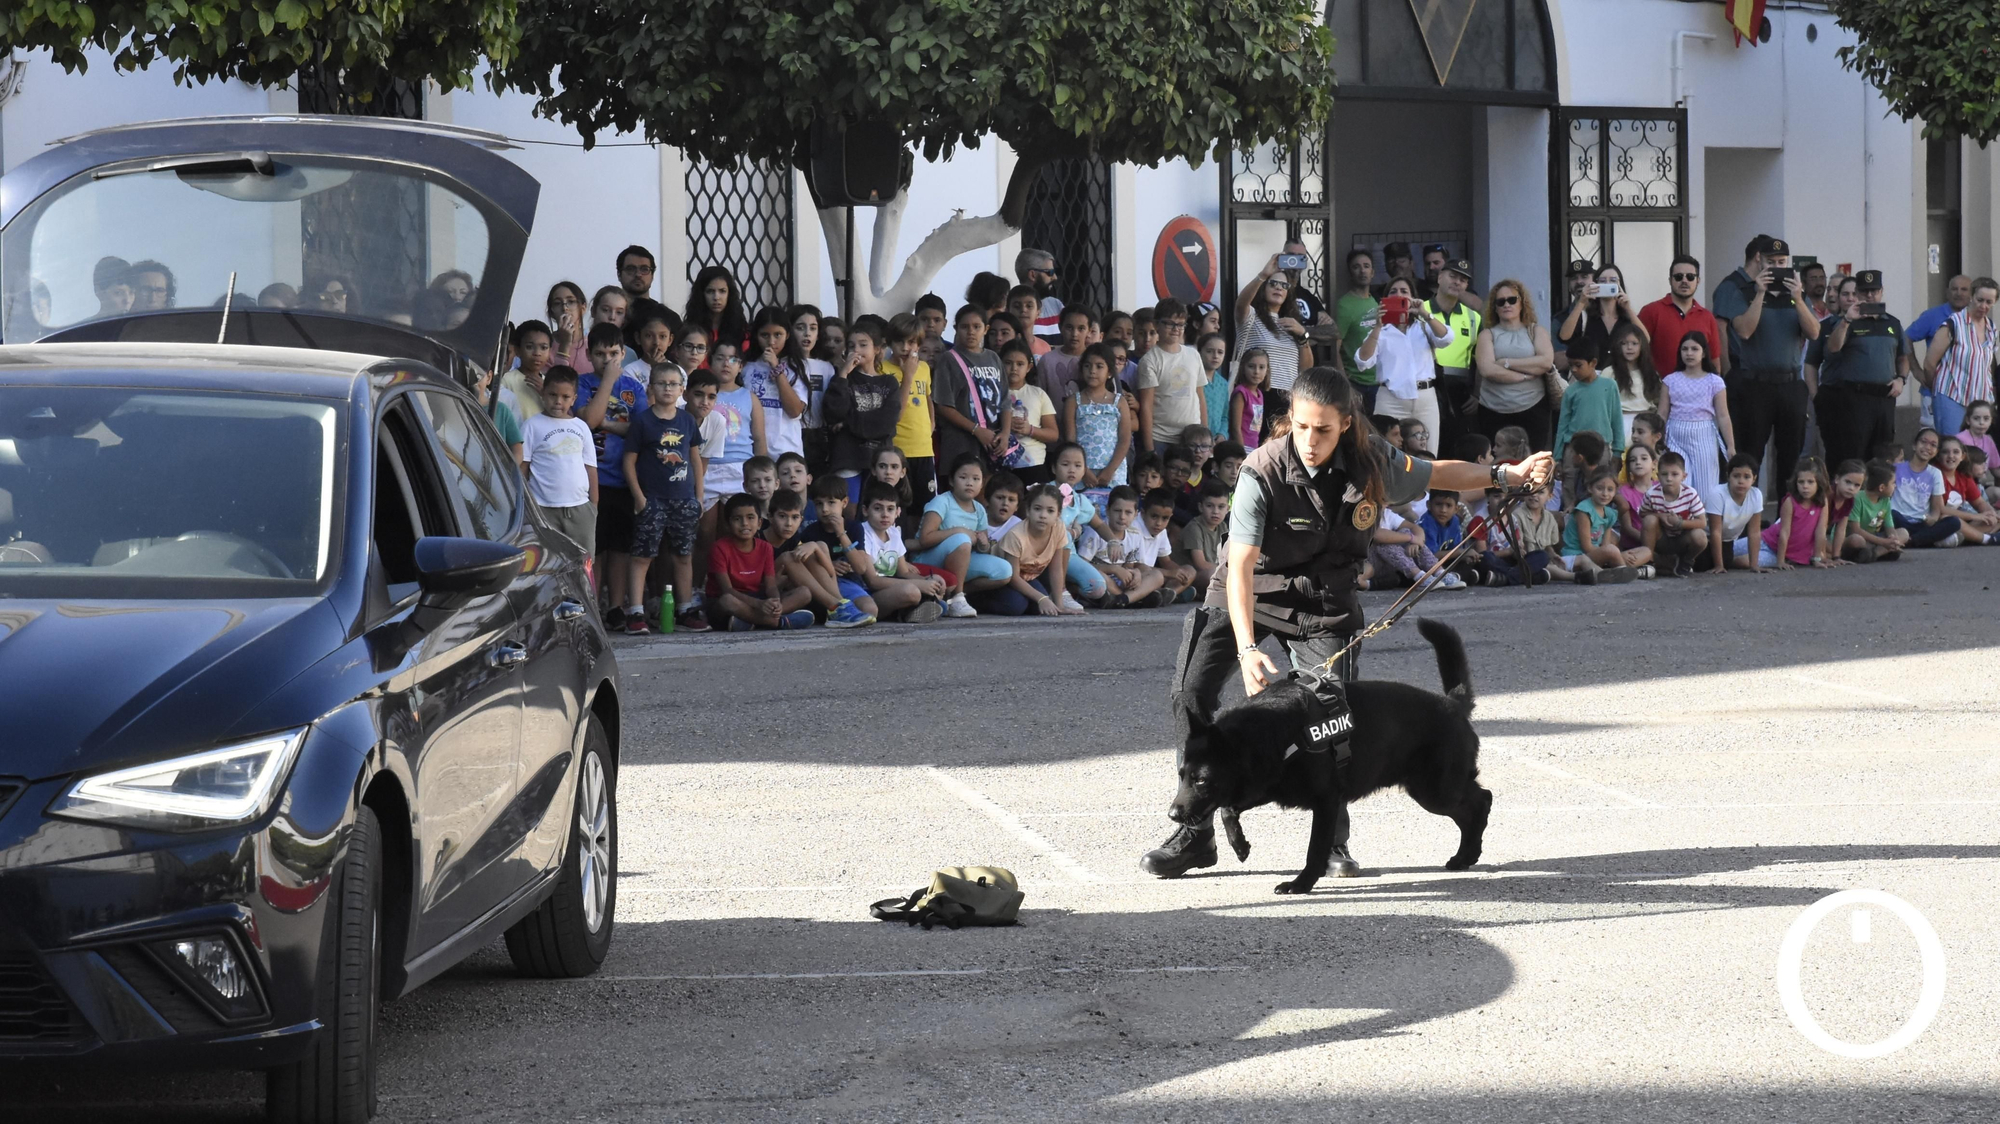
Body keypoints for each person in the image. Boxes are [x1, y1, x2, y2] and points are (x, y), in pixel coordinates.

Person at [1139, 367, 1554, 878]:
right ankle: (1194, 832)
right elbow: (1242, 564)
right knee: (1190, 695)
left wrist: (1509, 476)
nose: (1310, 441)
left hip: (1321, 601)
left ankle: (1333, 840)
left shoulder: (1373, 460)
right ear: (1290, 419)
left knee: (1330, 715)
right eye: (1302, 427)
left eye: (1324, 430)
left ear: (1347, 425)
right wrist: (1248, 650)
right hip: (1249, 591)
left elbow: (1439, 473)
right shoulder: (1260, 471)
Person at [1712, 235, 1820, 490]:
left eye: (1782, 261)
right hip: (1756, 386)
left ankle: (1786, 516)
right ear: (1760, 261)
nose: (1777, 266)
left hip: (1790, 384)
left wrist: (1798, 298)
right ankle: (1749, 517)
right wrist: (1760, 293)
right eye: (1772, 261)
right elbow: (1744, 331)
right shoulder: (1745, 292)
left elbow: (1814, 332)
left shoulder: (1797, 295)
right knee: (1751, 454)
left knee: (1790, 455)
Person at [620, 363, 705, 632]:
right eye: (661, 383)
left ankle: (685, 608)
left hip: (683, 499)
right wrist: (638, 497)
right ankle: (635, 612)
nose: (667, 388)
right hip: (652, 499)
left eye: (673, 384)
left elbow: (695, 460)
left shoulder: (687, 420)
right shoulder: (643, 421)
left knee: (683, 555)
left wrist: (698, 497)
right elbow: (629, 462)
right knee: (642, 556)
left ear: (682, 389)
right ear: (651, 388)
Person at [576, 323, 650, 628]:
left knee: (620, 548)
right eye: (600, 353)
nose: (607, 359)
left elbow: (640, 429)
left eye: (613, 353)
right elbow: (587, 420)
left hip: (622, 480)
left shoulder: (633, 388)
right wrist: (607, 382)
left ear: (624, 354)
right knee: (595, 548)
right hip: (590, 481)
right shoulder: (582, 384)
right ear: (590, 355)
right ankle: (593, 602)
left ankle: (616, 606)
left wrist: (604, 424)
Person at [1811, 270, 1910, 471]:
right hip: (1855, 398)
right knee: (1853, 454)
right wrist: (1847, 320)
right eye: (1864, 291)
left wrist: (1901, 379)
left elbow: (1903, 357)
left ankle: (1878, 498)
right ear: (1858, 293)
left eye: (1874, 291)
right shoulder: (1846, 321)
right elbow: (1833, 348)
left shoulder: (1892, 323)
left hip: (1884, 397)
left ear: (1882, 291)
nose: (1870, 296)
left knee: (1884, 454)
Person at [912, 453, 1018, 618]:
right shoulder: (942, 502)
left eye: (976, 479)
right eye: (963, 477)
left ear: (982, 483)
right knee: (961, 539)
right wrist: (958, 531)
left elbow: (982, 548)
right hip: (928, 559)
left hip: (960, 562)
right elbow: (925, 538)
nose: (970, 483)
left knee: (1004, 570)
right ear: (952, 481)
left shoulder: (980, 509)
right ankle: (956, 599)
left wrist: (983, 544)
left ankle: (952, 592)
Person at [1353, 277, 1449, 444]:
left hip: (1425, 398)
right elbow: (1362, 361)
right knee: (1388, 453)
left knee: (1428, 451)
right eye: (1393, 292)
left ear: (1413, 297)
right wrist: (1377, 326)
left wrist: (1425, 314)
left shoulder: (1423, 326)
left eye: (1404, 292)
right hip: (1391, 399)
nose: (1398, 295)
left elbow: (1446, 338)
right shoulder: (1381, 331)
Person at [519, 367, 600, 561]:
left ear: (573, 399)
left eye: (565, 397)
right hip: (543, 509)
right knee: (545, 562)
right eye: (553, 395)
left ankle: (582, 593)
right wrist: (526, 506)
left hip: (580, 508)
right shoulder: (532, 425)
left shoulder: (581, 427)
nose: (558, 401)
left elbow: (590, 467)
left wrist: (594, 505)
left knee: (583, 561)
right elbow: (523, 468)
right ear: (543, 393)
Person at [705, 494, 815, 631]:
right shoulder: (720, 548)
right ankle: (778, 622)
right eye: (737, 519)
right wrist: (759, 604)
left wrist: (775, 602)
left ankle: (750, 621)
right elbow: (727, 590)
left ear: (759, 523)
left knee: (804, 592)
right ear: (727, 524)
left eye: (750, 518)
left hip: (757, 598)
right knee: (727, 601)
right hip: (730, 600)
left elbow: (770, 586)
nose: (744, 523)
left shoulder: (765, 547)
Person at [845, 480, 948, 623]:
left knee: (936, 598)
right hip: (868, 594)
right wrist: (920, 585)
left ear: (897, 512)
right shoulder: (862, 532)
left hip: (890, 590)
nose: (885, 514)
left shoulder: (894, 533)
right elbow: (872, 581)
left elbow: (903, 572)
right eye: (878, 508)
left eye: (890, 509)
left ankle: (911, 610)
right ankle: (904, 612)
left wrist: (928, 581)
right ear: (865, 510)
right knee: (911, 592)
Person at [821, 321, 903, 497]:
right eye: (851, 346)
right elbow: (834, 412)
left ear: (877, 349)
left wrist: (847, 423)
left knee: (877, 505)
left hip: (880, 458)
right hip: (847, 456)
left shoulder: (889, 382)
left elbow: (887, 422)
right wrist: (843, 374)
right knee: (849, 509)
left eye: (863, 345)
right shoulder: (842, 379)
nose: (856, 350)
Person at [1474, 279, 1556, 451]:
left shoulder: (1536, 331)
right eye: (1500, 301)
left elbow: (1546, 361)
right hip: (1493, 409)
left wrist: (1506, 363)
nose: (1506, 305)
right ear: (1494, 307)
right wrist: (1525, 375)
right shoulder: (1487, 335)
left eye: (1512, 300)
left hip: (1533, 407)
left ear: (1521, 303)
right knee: (1496, 464)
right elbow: (1487, 369)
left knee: (1533, 464)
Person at [973, 483, 1072, 616]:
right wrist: (1041, 598)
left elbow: (1056, 568)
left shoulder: (1058, 528)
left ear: (1058, 515)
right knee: (1016, 606)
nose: (1043, 515)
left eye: (1050, 511)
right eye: (1037, 509)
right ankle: (973, 600)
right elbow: (1013, 577)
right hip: (1001, 579)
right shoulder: (1016, 536)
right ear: (1028, 511)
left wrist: (1059, 605)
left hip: (1026, 577)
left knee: (1042, 609)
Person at [1661, 331, 1736, 501]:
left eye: (1694, 349)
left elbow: (1723, 416)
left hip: (1704, 434)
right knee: (1677, 483)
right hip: (1675, 434)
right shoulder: (1670, 380)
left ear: (1704, 353)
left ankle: (1705, 526)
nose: (1689, 353)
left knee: (1706, 486)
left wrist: (1730, 445)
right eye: (1685, 349)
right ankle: (1680, 524)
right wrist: (1658, 440)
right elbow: (1662, 414)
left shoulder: (1714, 381)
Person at [1921, 276, 1999, 438]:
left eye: (1989, 302)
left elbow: (1989, 362)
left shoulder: (1991, 327)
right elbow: (1929, 363)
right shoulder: (1953, 324)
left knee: (1977, 452)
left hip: (1980, 398)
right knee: (1953, 447)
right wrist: (1936, 389)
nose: (1983, 306)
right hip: (1952, 395)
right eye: (1980, 300)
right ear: (1971, 297)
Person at [933, 305, 1008, 473]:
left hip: (992, 444)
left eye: (976, 327)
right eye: (964, 327)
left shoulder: (993, 358)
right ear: (956, 329)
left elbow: (1004, 401)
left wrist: (1005, 433)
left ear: (986, 329)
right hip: (960, 444)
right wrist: (977, 430)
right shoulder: (948, 359)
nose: (971, 332)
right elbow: (943, 406)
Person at [1422, 258, 1484, 455]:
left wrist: (1477, 394)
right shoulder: (1420, 310)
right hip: (1427, 388)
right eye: (1453, 276)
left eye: (1463, 280)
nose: (1457, 282)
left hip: (1460, 394)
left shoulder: (1474, 317)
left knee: (1457, 450)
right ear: (1440, 277)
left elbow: (1479, 360)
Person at [1079, 485, 1171, 608]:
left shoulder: (1135, 534)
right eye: (1117, 511)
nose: (1122, 517)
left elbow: (1130, 565)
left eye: (1128, 512)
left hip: (1120, 581)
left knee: (1156, 575)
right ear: (1107, 510)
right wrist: (1113, 569)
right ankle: (1137, 598)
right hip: (1101, 579)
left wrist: (1135, 573)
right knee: (1099, 578)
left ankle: (1122, 600)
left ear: (1136, 515)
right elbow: (1081, 567)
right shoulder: (1095, 533)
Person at [1135, 298, 1207, 450]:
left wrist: (1205, 437)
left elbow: (1200, 396)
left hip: (1191, 437)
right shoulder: (1149, 360)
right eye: (1169, 323)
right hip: (1160, 437)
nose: (1176, 329)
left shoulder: (1193, 355)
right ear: (1156, 325)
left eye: (1180, 324)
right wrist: (1149, 449)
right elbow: (1146, 406)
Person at [880, 314, 939, 500]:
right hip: (899, 448)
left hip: (923, 448)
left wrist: (931, 423)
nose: (905, 348)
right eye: (899, 341)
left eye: (911, 342)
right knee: (899, 503)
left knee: (925, 505)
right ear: (890, 342)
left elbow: (927, 397)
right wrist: (907, 376)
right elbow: (896, 412)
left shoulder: (923, 368)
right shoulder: (883, 370)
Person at [1638, 255, 1724, 377]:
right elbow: (1636, 352)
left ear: (1698, 280)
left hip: (1697, 392)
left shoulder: (1707, 317)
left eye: (1690, 277)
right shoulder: (1651, 311)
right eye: (1678, 277)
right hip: (1658, 390)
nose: (1684, 281)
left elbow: (1714, 361)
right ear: (1670, 280)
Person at [1064, 343, 1132, 495]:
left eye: (1099, 366)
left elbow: (1124, 439)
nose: (1092, 371)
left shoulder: (1119, 402)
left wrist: (1109, 470)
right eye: (1087, 366)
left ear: (1109, 372)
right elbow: (1071, 441)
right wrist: (1083, 470)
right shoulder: (1074, 401)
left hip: (1113, 471)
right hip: (1080, 471)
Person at [1234, 254, 1309, 391]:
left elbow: (1305, 369)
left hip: (1288, 395)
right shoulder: (1252, 317)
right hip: (1257, 393)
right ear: (1263, 288)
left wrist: (1303, 335)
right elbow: (1240, 305)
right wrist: (1263, 275)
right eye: (1273, 283)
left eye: (1284, 285)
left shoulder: (1292, 324)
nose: (1279, 288)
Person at [1562, 469, 1649, 583]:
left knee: (1646, 551)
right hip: (1578, 556)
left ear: (1615, 492)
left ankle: (1616, 570)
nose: (1605, 494)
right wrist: (1617, 554)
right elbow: (1587, 547)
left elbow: (1605, 544)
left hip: (1600, 555)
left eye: (1610, 490)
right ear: (1590, 488)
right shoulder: (1584, 511)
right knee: (1612, 550)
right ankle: (1626, 571)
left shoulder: (1610, 513)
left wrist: (1615, 555)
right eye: (1599, 488)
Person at [1553, 337, 1624, 473]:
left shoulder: (1609, 386)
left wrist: (1617, 451)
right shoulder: (1570, 391)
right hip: (1573, 449)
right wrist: (1557, 457)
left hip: (1601, 448)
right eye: (1570, 364)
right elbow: (1562, 425)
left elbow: (1616, 419)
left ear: (1593, 363)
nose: (1573, 369)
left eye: (1578, 365)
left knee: (1599, 486)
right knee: (1570, 487)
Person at [1749, 458, 1834, 570]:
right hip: (1766, 542)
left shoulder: (1822, 501)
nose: (1805, 486)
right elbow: (1784, 532)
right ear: (1795, 482)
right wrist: (1780, 561)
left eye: (1810, 482)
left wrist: (1817, 558)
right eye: (1801, 482)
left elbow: (1821, 530)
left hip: (1779, 554)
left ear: (1819, 483)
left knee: (1746, 561)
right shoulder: (1790, 502)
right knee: (1730, 549)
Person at [996, 338, 1059, 487]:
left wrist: (1029, 430)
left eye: (1020, 364)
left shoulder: (1038, 394)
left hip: (1033, 463)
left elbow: (1053, 434)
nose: (1014, 368)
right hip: (1000, 462)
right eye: (1008, 363)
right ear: (999, 364)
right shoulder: (993, 393)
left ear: (1029, 367)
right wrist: (1005, 426)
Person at [1890, 430, 1965, 548]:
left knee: (1954, 522)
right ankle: (1920, 539)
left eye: (1933, 445)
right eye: (1923, 442)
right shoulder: (1897, 468)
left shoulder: (1935, 473)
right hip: (1898, 519)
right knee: (1891, 514)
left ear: (1936, 452)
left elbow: (1937, 508)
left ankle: (1910, 541)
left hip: (1921, 522)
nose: (1927, 447)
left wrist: (1933, 518)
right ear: (1914, 445)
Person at [1558, 260, 1646, 359]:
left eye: (1613, 280)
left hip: (1621, 373)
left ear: (1620, 284)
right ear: (1596, 284)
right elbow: (1564, 336)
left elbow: (1645, 340)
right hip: (1594, 373)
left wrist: (1628, 309)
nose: (1607, 284)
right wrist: (1581, 303)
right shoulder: (1586, 316)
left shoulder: (1626, 317)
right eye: (1603, 281)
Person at [1640, 450, 1707, 576]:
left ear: (1684, 476)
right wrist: (1660, 516)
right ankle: (1648, 561)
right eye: (1664, 474)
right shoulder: (1652, 494)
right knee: (1649, 520)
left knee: (1701, 537)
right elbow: (1643, 514)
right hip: (1661, 539)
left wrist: (1680, 523)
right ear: (1658, 475)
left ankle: (1685, 561)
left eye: (1674, 474)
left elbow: (1702, 522)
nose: (1669, 479)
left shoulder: (1690, 494)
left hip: (1683, 538)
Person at [1335, 250, 1382, 412]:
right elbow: (1335, 346)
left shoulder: (1376, 302)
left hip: (1379, 382)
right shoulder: (1344, 305)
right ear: (1350, 273)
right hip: (1356, 382)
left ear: (1373, 272)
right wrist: (1345, 382)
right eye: (1356, 267)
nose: (1362, 271)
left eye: (1366, 266)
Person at [1704, 453, 1766, 573]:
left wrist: (1754, 565)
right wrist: (1718, 565)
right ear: (1728, 476)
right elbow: (1715, 531)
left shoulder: (1756, 495)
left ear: (1754, 478)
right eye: (1736, 476)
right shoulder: (1717, 494)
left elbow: (1754, 532)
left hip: (1727, 541)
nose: (1741, 481)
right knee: (1703, 565)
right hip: (1706, 539)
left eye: (1746, 477)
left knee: (1727, 563)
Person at [1605, 322, 1663, 441]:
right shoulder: (1609, 372)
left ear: (1642, 346)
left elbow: (1657, 402)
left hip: (1646, 425)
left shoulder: (1651, 374)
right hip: (1619, 423)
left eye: (1634, 343)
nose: (1629, 347)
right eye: (1624, 343)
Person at [1936, 436, 2000, 543]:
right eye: (1945, 452)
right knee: (1948, 519)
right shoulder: (1935, 473)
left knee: (1997, 516)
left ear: (1963, 456)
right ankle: (1987, 539)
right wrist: (1977, 516)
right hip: (1940, 521)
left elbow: (1979, 502)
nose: (1951, 456)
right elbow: (1939, 510)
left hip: (1962, 523)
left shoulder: (1963, 475)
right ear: (1938, 456)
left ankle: (1967, 536)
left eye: (1956, 452)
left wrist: (1990, 513)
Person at [1840, 461, 1907, 562]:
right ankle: (1881, 552)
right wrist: (1884, 542)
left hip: (1874, 540)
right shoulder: (1857, 498)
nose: (1895, 486)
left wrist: (1893, 539)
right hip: (1858, 538)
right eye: (1893, 483)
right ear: (1881, 487)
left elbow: (1889, 526)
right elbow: (1855, 530)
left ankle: (1874, 554)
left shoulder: (1885, 500)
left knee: (1904, 533)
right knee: (1856, 540)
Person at [1174, 478, 1232, 591]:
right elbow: (1200, 564)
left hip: (1217, 572)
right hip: (1191, 576)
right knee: (1211, 575)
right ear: (1201, 507)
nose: (1215, 511)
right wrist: (1228, 571)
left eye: (1221, 507)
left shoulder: (1223, 527)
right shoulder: (1195, 528)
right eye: (1210, 506)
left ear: (1227, 509)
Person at [684, 265, 750, 356]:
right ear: (701, 294)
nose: (716, 297)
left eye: (722, 291)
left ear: (729, 294)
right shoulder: (689, 329)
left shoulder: (741, 330)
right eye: (710, 291)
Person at [1036, 305, 1093, 404]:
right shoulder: (1047, 360)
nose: (1075, 334)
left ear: (1089, 331)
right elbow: (1039, 397)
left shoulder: (1096, 360)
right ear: (1060, 327)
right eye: (1069, 328)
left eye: (1081, 328)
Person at [500, 320, 553, 420]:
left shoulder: (550, 384)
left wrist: (547, 394)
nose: (537, 353)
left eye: (544, 347)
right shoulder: (506, 381)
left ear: (550, 351)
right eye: (529, 347)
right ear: (517, 350)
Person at [1015, 248, 1063, 336]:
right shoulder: (1013, 309)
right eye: (1050, 272)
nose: (1055, 277)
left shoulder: (1056, 305)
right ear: (1033, 275)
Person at [1230, 348, 1269, 453]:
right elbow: (1235, 428)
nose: (1256, 372)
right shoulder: (1241, 393)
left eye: (1261, 367)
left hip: (1254, 447)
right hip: (1242, 447)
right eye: (1251, 366)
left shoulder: (1259, 394)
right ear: (1243, 368)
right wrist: (1241, 452)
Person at [1198, 333, 1232, 441]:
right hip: (1196, 439)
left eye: (1220, 352)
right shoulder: (1194, 380)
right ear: (1199, 352)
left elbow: (1225, 416)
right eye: (1209, 351)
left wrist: (1222, 434)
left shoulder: (1223, 383)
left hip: (1216, 441)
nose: (1215, 356)